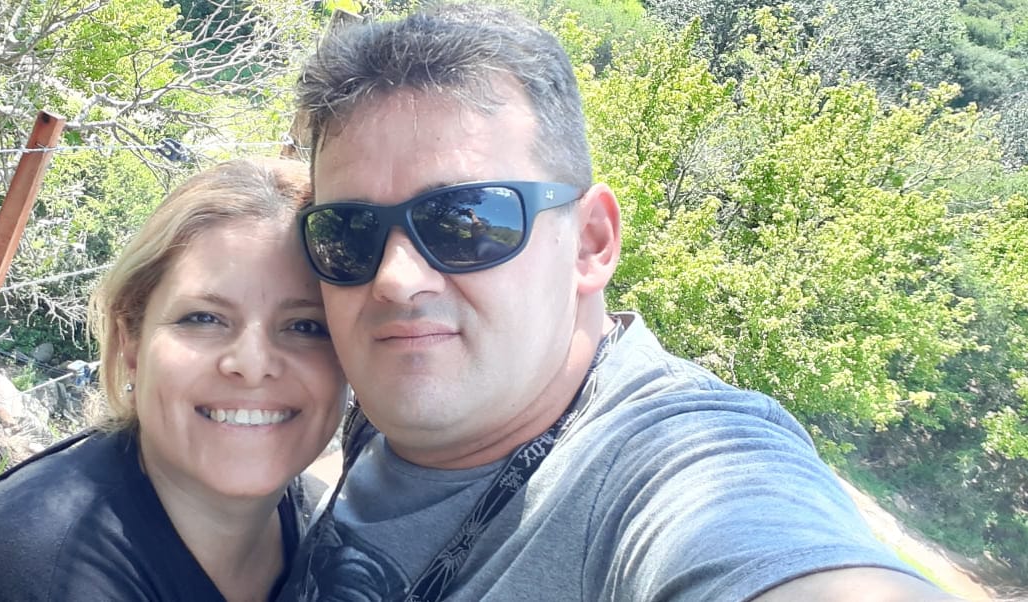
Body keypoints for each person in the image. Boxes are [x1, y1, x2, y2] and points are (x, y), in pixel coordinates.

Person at [279, 5, 958, 601]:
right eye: (349, 232)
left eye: (465, 222)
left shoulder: (670, 461)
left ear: (590, 243)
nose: (395, 278)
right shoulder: (376, 407)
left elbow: (765, 545)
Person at [0, 158, 346, 601]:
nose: (252, 363)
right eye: (204, 318)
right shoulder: (49, 570)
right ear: (131, 340)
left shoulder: (317, 520)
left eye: (306, 326)